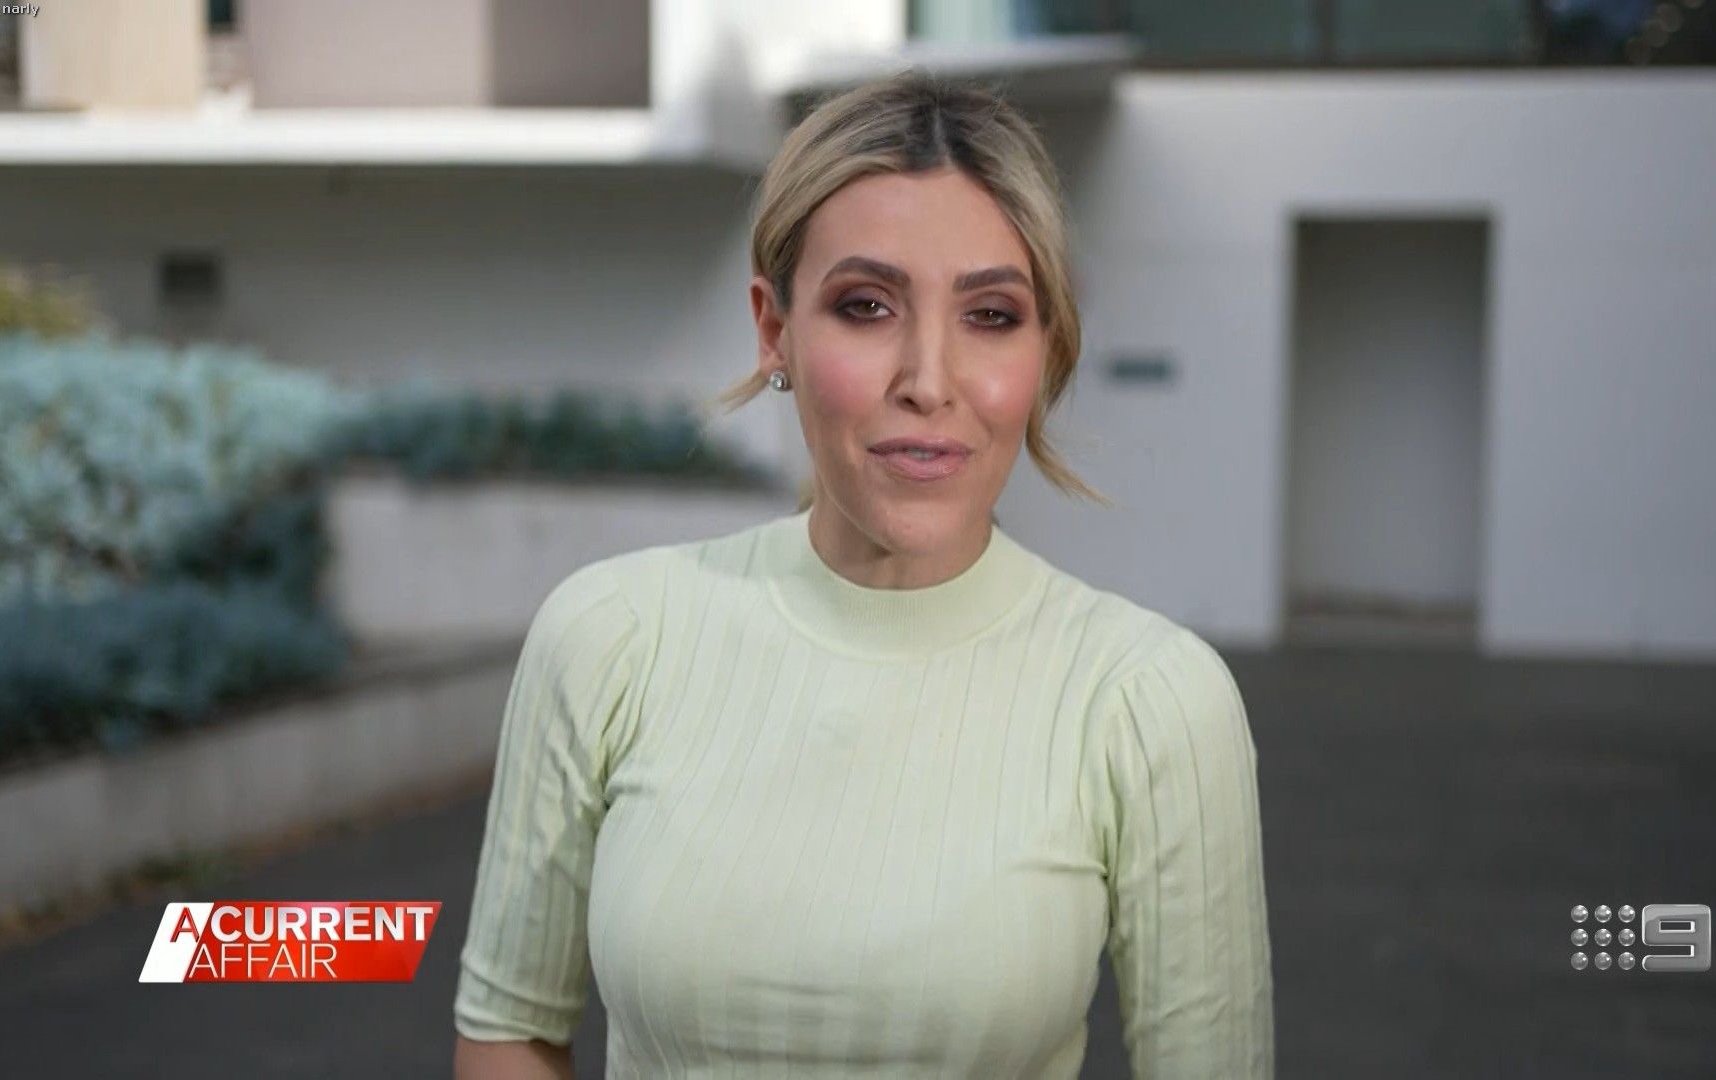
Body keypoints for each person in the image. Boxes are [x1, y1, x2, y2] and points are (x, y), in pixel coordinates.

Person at [451, 68, 1274, 1079]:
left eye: (991, 315)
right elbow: (510, 1028)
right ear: (775, 330)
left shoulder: (1150, 700)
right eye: (867, 305)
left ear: (1047, 350)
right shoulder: (611, 636)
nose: (928, 381)